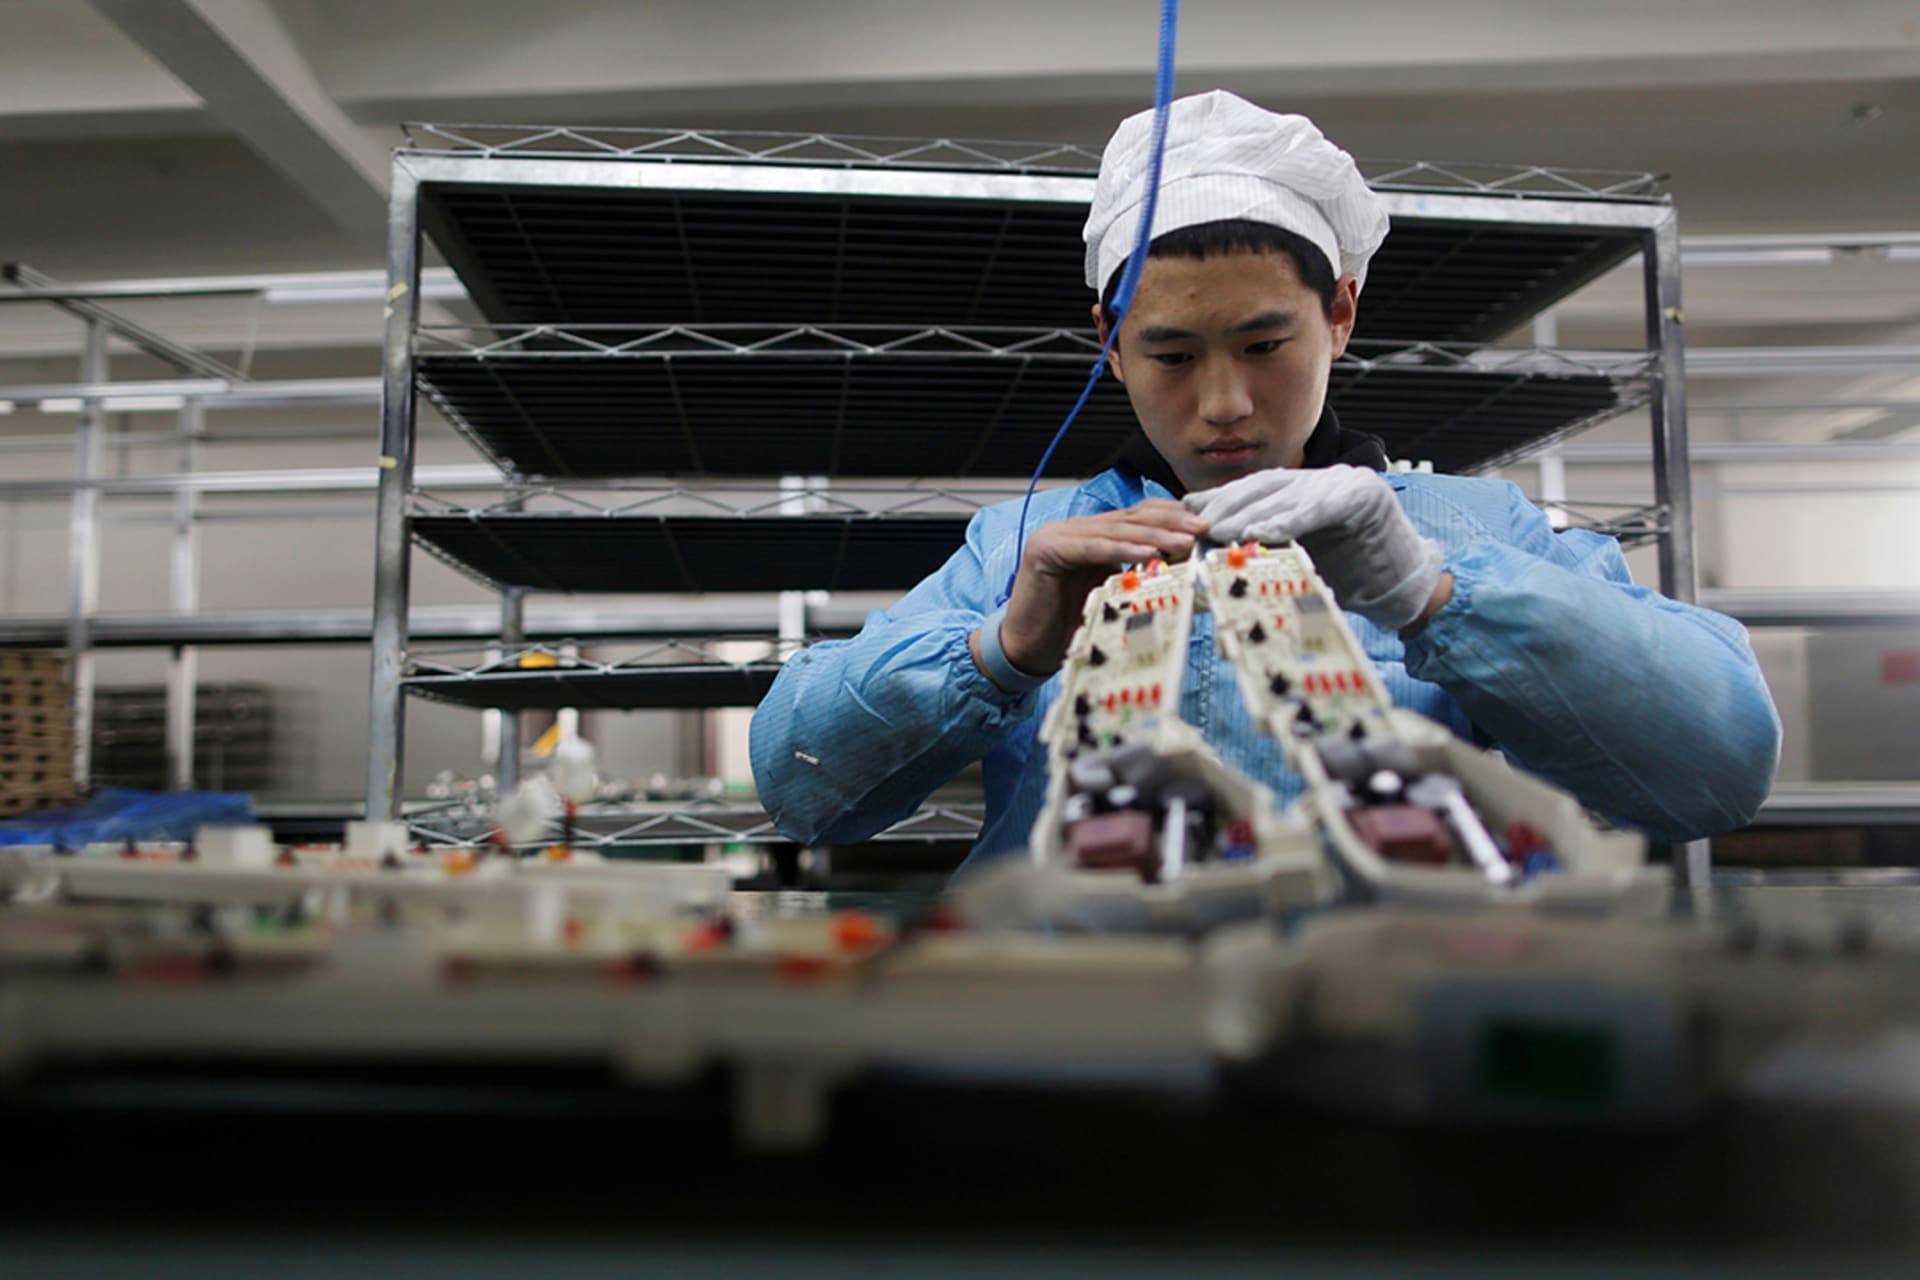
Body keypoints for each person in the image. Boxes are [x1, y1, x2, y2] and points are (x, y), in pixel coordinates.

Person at [750, 90, 1780, 874]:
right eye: (1173, 354)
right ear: (1110, 345)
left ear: (1339, 312)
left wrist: (1433, 590)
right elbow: (801, 789)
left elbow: (1719, 766)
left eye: (1263, 340)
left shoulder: (1477, 526)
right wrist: (1005, 647)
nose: (1227, 401)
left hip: (1387, 1049)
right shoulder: (1028, 547)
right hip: (1086, 1056)